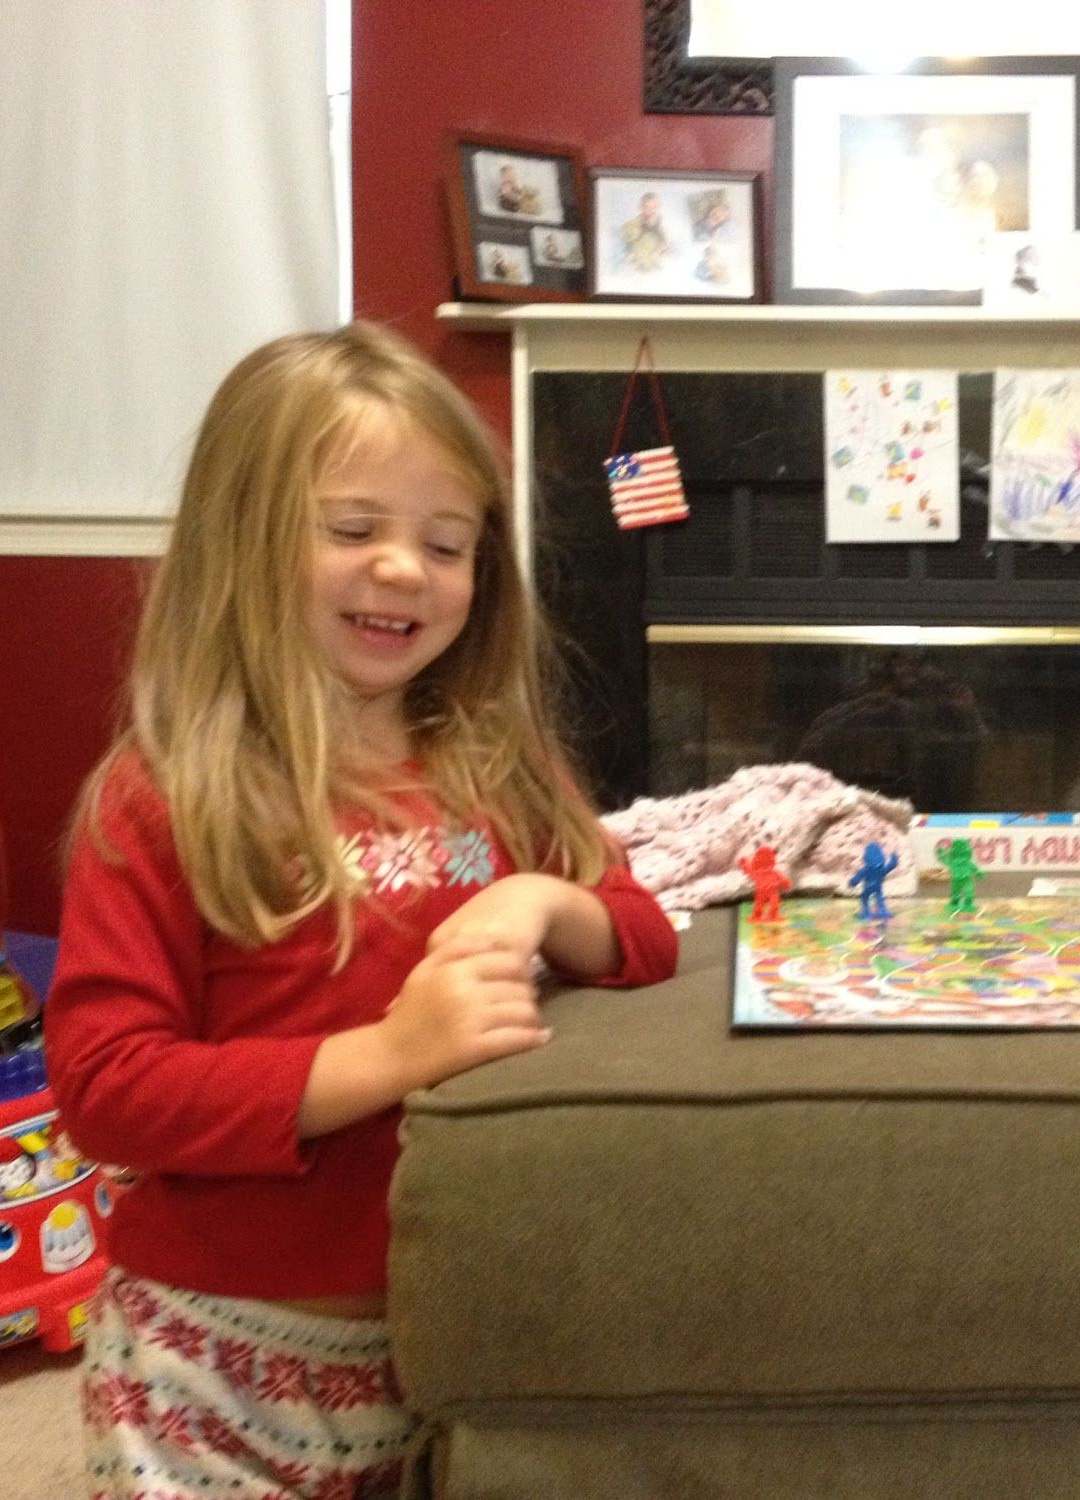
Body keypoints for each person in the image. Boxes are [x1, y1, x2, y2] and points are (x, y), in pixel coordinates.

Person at [43, 322, 679, 1499]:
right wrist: (392, 1053)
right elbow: (106, 1088)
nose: (405, 569)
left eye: (447, 543)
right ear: (244, 537)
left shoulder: (499, 762)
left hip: (432, 1340)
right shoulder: (164, 796)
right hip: (214, 1356)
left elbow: (644, 935)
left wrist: (549, 898)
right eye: (353, 530)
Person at [620, 191, 670, 273]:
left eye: (654, 207)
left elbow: (665, 249)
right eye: (647, 207)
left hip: (657, 269)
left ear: (659, 208)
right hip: (636, 270)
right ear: (641, 208)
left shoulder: (664, 227)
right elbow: (626, 250)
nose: (651, 211)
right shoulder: (630, 225)